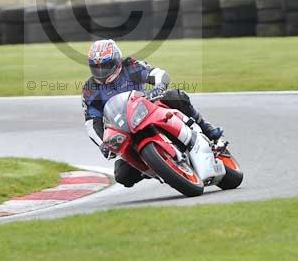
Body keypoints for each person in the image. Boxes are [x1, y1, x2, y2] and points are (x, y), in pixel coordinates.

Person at [82, 38, 223, 187]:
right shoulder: (90, 89)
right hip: (124, 129)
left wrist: (159, 87)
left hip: (147, 108)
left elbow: (158, 74)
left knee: (174, 96)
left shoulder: (130, 66)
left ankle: (207, 128)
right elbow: (92, 123)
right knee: (122, 175)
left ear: (117, 60)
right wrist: (103, 144)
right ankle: (154, 165)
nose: (101, 72)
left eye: (105, 66)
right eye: (96, 67)